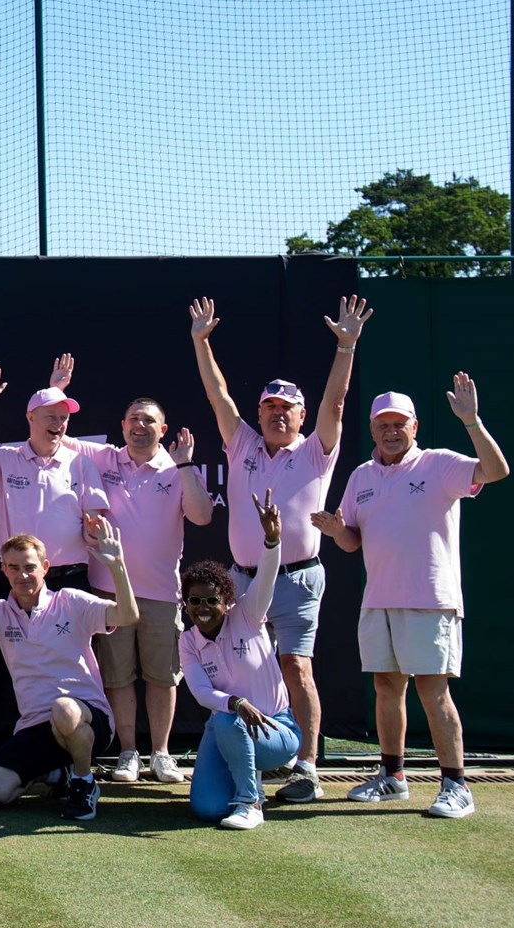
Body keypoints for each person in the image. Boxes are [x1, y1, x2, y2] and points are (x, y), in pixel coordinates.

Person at [188, 294, 370, 804]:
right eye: (268, 407)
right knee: (238, 670)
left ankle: (307, 768)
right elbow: (217, 394)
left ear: (300, 415)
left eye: (285, 409)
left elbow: (335, 402)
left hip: (298, 577)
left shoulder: (316, 450)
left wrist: (346, 347)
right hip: (240, 580)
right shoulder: (241, 443)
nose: (275, 415)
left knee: (296, 667)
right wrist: (201, 342)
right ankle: (248, 755)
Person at [313, 377, 510, 819]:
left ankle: (456, 786)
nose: (391, 430)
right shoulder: (362, 476)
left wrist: (472, 421)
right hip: (378, 599)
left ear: (414, 426)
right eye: (383, 424)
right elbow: (352, 541)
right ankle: (393, 777)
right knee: (387, 687)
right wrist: (334, 530)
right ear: (372, 429)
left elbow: (496, 471)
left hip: (430, 598)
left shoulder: (440, 464)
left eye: (399, 423)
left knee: (432, 690)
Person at [0, 519, 137, 822]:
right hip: (36, 726)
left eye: (29, 567)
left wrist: (118, 567)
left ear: (45, 567)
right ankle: (55, 774)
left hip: (89, 718)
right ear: (4, 571)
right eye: (13, 568)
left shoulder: (71, 601)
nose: (22, 575)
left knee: (63, 709)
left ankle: (83, 782)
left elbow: (127, 615)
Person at [77, 398, 215, 785]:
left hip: (161, 594)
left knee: (161, 677)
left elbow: (203, 516)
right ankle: (127, 754)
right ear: (122, 426)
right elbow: (55, 436)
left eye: (149, 420)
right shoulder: (102, 459)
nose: (140, 426)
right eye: (134, 419)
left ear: (163, 429)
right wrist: (57, 389)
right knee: (118, 678)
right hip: (109, 591)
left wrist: (186, 463)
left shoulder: (177, 470)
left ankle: (161, 754)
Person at [181, 492, 297, 829]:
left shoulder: (248, 614)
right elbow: (202, 692)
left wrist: (272, 540)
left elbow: (266, 576)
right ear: (185, 602)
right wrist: (237, 702)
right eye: (194, 600)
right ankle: (242, 781)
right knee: (207, 808)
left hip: (276, 730)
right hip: (226, 730)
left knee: (226, 719)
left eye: (211, 600)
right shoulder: (188, 641)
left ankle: (251, 802)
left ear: (227, 600)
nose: (202, 608)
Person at [0, 343, 109, 589]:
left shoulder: (81, 464)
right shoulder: (7, 459)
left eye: (64, 418)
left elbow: (92, 527)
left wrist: (94, 530)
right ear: (31, 417)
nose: (58, 424)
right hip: (17, 577)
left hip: (69, 578)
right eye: (51, 416)